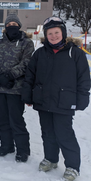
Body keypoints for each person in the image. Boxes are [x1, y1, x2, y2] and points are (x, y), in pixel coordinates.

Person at [22, 17, 90, 181]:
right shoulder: (40, 53)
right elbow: (30, 76)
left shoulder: (76, 53)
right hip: (43, 100)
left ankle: (73, 166)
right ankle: (51, 159)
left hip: (64, 101)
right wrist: (28, 94)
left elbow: (84, 78)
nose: (53, 36)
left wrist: (82, 98)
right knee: (47, 133)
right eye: (50, 33)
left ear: (63, 33)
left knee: (64, 134)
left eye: (56, 33)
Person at [0, 14, 34, 162]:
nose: (11, 26)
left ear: (19, 26)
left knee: (16, 120)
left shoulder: (26, 43)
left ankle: (23, 149)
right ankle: (6, 145)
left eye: (14, 23)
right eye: (9, 24)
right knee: (1, 119)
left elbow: (27, 62)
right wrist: (0, 76)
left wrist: (10, 75)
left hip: (16, 88)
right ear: (5, 27)